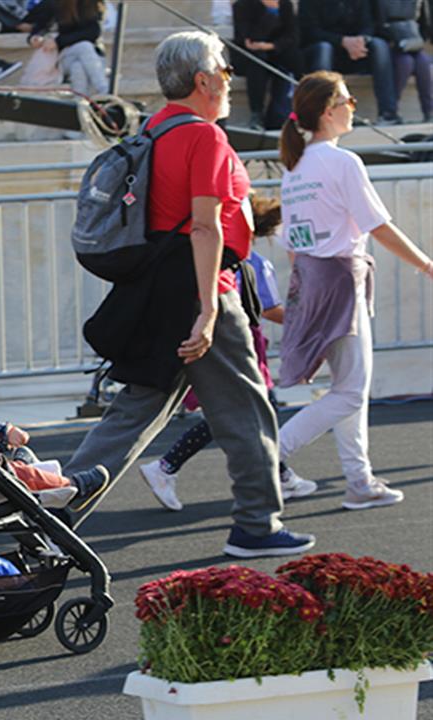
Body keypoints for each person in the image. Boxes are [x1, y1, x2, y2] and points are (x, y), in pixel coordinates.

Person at [62, 31, 315, 559]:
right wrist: (206, 312)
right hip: (206, 295)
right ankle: (257, 525)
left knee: (132, 414)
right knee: (247, 410)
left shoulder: (155, 129)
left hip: (161, 292)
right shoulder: (206, 138)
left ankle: (48, 516)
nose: (229, 78)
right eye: (224, 69)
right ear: (203, 80)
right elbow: (205, 229)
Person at [277, 71, 433, 510]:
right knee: (350, 390)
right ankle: (273, 455)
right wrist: (425, 264)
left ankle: (359, 480)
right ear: (329, 111)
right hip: (339, 278)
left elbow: (294, 242)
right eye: (348, 101)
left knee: (349, 387)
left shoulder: (297, 166)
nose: (353, 108)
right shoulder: (342, 162)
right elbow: (378, 225)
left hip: (313, 278)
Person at [139, 242, 318, 511]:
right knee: (246, 410)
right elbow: (267, 308)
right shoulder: (253, 261)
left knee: (244, 410)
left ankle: (280, 475)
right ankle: (166, 466)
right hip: (238, 341)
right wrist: (308, 322)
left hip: (228, 338)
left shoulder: (217, 255)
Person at [0, 346, 109, 505]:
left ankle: (24, 461)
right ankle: (74, 486)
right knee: (28, 476)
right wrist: (6, 433)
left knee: (20, 465)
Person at [298, 0, 402, 124]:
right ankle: (322, 113)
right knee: (324, 49)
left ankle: (388, 114)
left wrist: (361, 39)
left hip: (355, 53)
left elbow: (369, 24)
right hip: (324, 54)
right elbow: (309, 32)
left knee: (379, 46)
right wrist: (342, 41)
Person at [232, 0, 301, 130]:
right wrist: (271, 14)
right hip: (248, 55)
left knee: (294, 57)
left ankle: (302, 109)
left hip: (276, 51)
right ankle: (256, 114)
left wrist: (272, 46)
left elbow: (292, 37)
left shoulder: (285, 5)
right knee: (257, 62)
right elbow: (249, 39)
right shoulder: (242, 5)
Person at [25, 0, 109, 97]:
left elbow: (93, 32)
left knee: (78, 67)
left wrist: (58, 41)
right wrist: (34, 38)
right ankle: (104, 90)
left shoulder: (94, 3)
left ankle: (80, 103)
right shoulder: (54, 3)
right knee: (84, 46)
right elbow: (39, 26)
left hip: (92, 56)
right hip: (65, 56)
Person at [374, 0, 432, 123]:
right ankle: (391, 110)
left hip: (413, 41)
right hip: (389, 44)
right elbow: (375, 23)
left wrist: (417, 40)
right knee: (405, 63)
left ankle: (429, 111)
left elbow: (425, 24)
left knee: (423, 62)